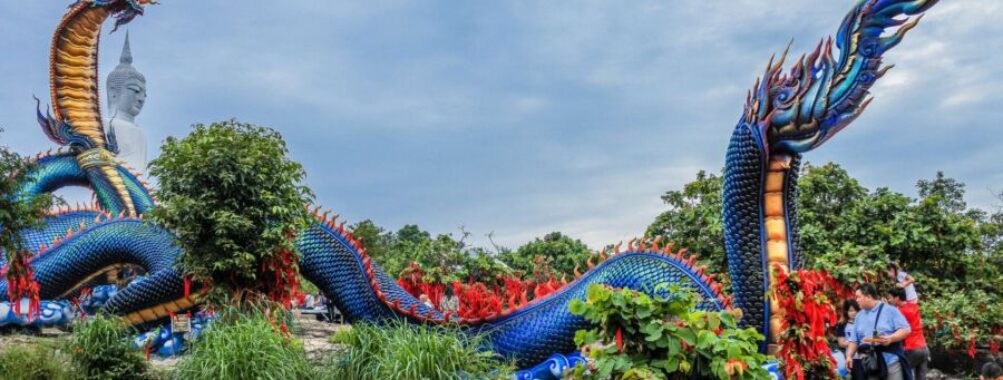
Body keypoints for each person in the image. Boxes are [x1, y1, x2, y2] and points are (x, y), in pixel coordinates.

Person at [846, 284, 912, 380]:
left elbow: (906, 329)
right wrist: (849, 356)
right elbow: (854, 340)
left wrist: (891, 338)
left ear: (868, 296)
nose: (857, 300)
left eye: (858, 297)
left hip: (891, 361)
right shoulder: (859, 316)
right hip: (871, 363)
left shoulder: (890, 311)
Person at [888, 288, 928, 380]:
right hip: (924, 347)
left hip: (911, 348)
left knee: (902, 374)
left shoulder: (899, 312)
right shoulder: (914, 306)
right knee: (921, 378)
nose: (889, 300)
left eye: (890, 298)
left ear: (897, 298)